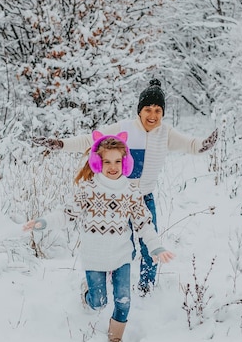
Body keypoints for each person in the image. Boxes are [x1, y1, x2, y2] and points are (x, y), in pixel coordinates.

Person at [35, 79, 218, 295]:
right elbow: (88, 141)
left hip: (144, 198)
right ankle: (108, 284)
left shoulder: (165, 133)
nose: (152, 115)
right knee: (122, 248)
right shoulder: (124, 129)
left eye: (158, 110)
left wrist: (205, 144)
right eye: (148, 109)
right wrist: (61, 144)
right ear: (139, 111)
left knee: (151, 245)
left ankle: (146, 288)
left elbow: (190, 144)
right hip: (119, 198)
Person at [24, 131, 175, 342]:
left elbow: (144, 224)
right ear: (97, 162)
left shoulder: (131, 192)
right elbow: (67, 214)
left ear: (125, 163)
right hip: (94, 256)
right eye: (107, 161)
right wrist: (44, 222)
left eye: (117, 161)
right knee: (99, 302)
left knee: (123, 301)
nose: (112, 167)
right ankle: (88, 294)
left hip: (121, 254)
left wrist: (156, 247)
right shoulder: (88, 190)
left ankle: (115, 338)